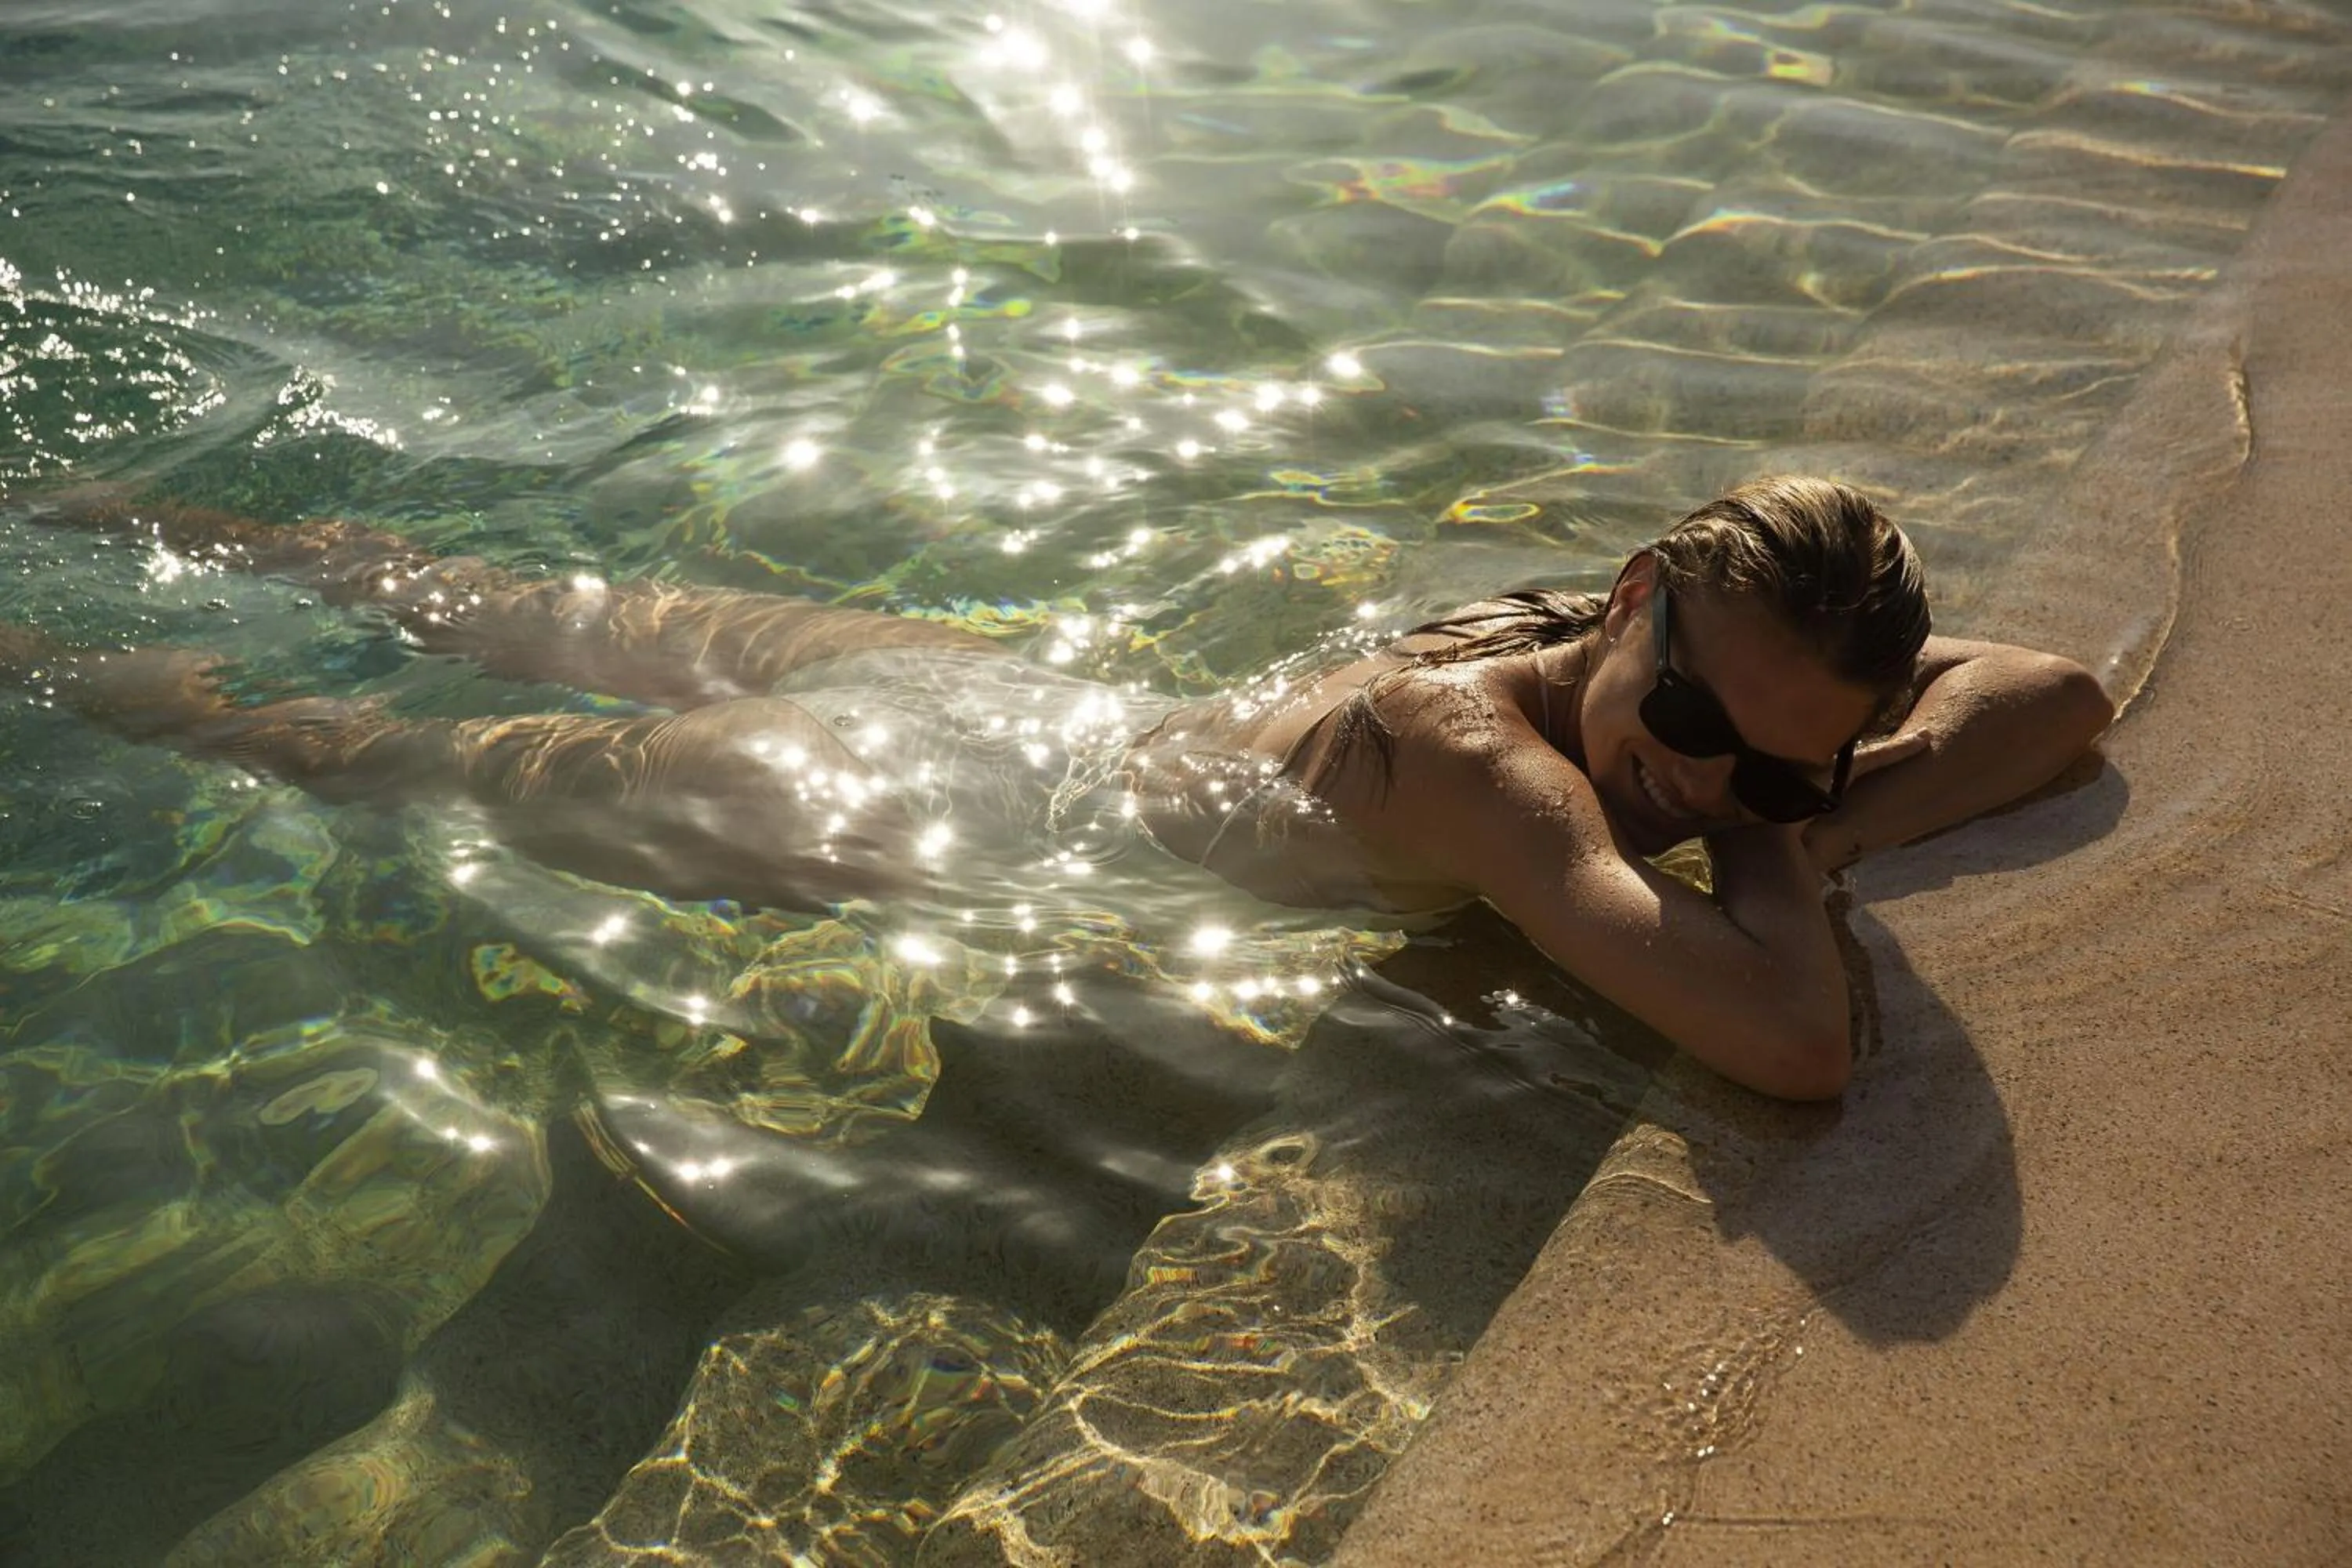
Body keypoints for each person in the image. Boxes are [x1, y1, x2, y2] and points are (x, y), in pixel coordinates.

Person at [0, 476, 2111, 1100]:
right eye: (1697, 721)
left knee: (449, 590)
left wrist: (1808, 798)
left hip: (1008, 696)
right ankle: (46, 629)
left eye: (1773, 755)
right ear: (1640, 594)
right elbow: (1789, 1041)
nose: (1703, 781)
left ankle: (72, 512)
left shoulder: (1625, 661)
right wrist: (1804, 836)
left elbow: (2060, 691)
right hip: (903, 788)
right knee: (327, 733)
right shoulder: (1478, 766)